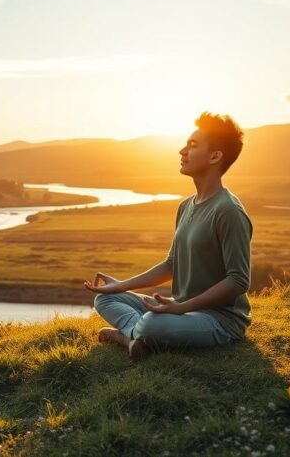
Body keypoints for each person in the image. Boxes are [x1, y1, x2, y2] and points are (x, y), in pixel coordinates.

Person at [84, 112, 252, 359]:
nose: (182, 151)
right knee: (105, 299)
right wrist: (121, 285)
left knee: (153, 324)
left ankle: (127, 337)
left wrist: (182, 307)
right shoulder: (186, 206)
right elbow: (172, 264)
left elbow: (238, 281)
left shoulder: (228, 211)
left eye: (193, 145)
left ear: (215, 156)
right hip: (182, 309)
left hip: (220, 319)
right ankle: (136, 338)